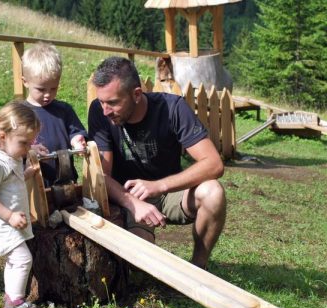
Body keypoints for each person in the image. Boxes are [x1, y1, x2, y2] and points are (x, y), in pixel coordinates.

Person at [87, 57, 226, 269]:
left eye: (113, 103)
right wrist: (132, 203)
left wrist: (159, 186)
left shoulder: (172, 108)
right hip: (129, 198)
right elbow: (100, 176)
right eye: (102, 102)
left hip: (171, 193)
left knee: (213, 193)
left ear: (136, 94)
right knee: (141, 265)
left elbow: (214, 164)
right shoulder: (100, 112)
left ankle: (199, 266)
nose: (105, 110)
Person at [0, 101, 43, 308]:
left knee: (15, 260)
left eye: (31, 143)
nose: (28, 149)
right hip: (3, 223)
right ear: (3, 137)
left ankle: (10, 297)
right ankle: (16, 301)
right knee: (23, 259)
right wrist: (9, 215)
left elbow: (10, 184)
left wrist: (26, 175)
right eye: (25, 143)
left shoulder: (11, 155)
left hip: (11, 222)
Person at [21, 42, 87, 185]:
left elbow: (76, 132)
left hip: (66, 179)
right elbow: (6, 144)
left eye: (53, 88)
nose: (47, 95)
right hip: (32, 182)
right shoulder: (18, 112)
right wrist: (28, 149)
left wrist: (77, 140)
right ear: (25, 82)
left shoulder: (64, 110)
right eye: (41, 89)